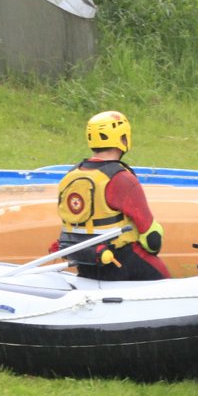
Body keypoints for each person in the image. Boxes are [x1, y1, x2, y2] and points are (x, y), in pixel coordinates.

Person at [52, 111, 169, 282]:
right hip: (121, 259)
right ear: (122, 139)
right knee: (163, 277)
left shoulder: (70, 175)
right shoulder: (121, 178)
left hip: (84, 260)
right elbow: (151, 237)